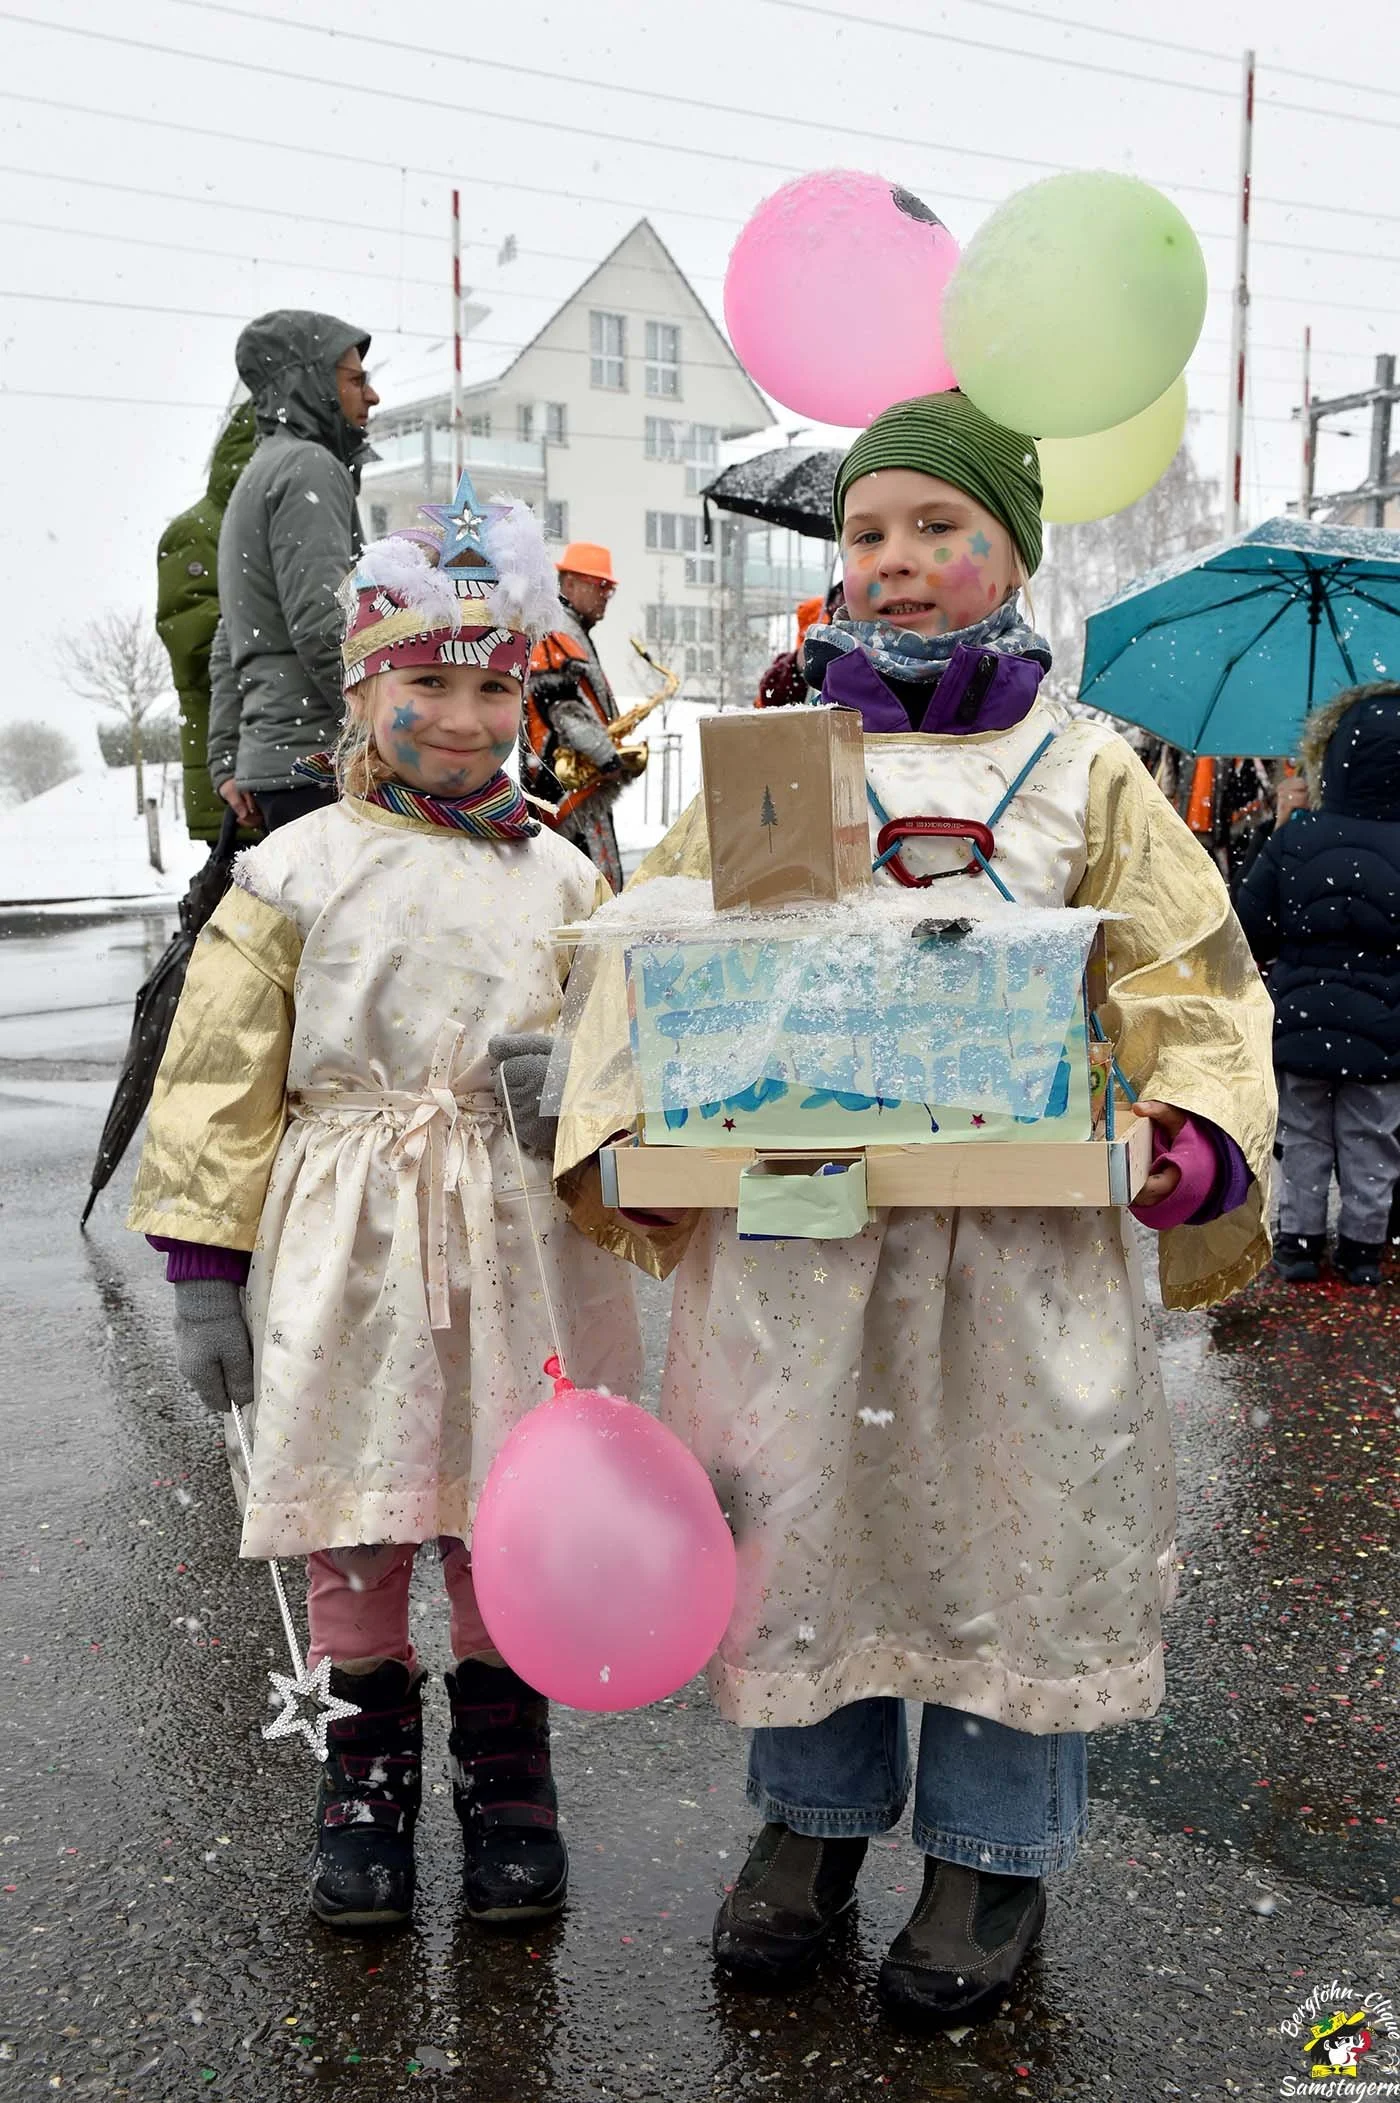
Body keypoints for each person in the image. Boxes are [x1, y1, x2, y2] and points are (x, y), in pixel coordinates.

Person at [555, 391, 1275, 2026]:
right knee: (804, 1512)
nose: (896, 558)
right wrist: (621, 1114)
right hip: (802, 1242)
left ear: (1011, 556)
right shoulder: (774, 765)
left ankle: (989, 1847)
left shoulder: (1083, 770)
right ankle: (808, 1818)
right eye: (868, 530)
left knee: (1014, 1524)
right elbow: (653, 942)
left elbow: (1192, 970)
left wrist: (1193, 1127)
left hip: (1014, 1251)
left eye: (939, 527)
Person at [128, 494, 643, 1931]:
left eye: (493, 691)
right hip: (348, 1232)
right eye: (426, 684)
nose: (464, 720)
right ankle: (364, 1771)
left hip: (513, 1232)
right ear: (363, 693)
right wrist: (202, 1263)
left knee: (504, 1501)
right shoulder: (293, 869)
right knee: (357, 1494)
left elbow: (617, 1042)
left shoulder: (562, 874)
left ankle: (508, 1769)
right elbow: (219, 1073)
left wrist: (582, 1089)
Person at [1235, 682, 1400, 1287]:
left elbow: (1248, 928)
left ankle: (1299, 1243)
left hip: (1302, 1026)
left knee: (1302, 1136)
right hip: (1386, 1030)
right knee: (1372, 1138)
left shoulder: (1298, 837)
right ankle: (1362, 1249)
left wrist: (1281, 830)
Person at [208, 310, 379, 833]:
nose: (372, 396)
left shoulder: (257, 473)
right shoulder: (310, 467)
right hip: (321, 764)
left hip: (279, 766)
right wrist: (388, 730)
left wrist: (226, 759)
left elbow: (230, 637)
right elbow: (324, 625)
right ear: (311, 384)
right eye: (356, 380)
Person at [156, 399, 258, 843]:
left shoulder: (267, 522)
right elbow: (196, 650)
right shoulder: (199, 530)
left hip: (260, 759)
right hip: (236, 776)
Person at [522, 541, 629, 890]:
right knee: (589, 888)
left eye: (610, 589)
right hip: (568, 788)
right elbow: (563, 708)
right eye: (600, 586)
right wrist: (608, 757)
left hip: (568, 784)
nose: (606, 596)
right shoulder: (557, 631)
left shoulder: (565, 628)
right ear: (569, 583)